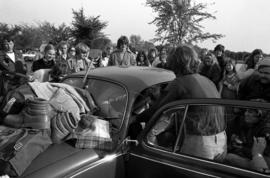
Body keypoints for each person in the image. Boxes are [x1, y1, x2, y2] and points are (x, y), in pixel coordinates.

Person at [135, 45, 226, 160]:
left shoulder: (179, 83)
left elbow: (157, 110)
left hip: (201, 143)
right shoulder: (207, 80)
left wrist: (134, 119)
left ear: (175, 62)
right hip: (221, 141)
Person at [226, 101, 270, 172]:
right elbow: (226, 136)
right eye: (246, 111)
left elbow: (263, 156)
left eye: (250, 112)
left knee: (229, 157)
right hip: (236, 154)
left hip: (254, 161)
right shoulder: (237, 121)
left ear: (259, 116)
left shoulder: (264, 130)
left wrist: (243, 149)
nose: (246, 114)